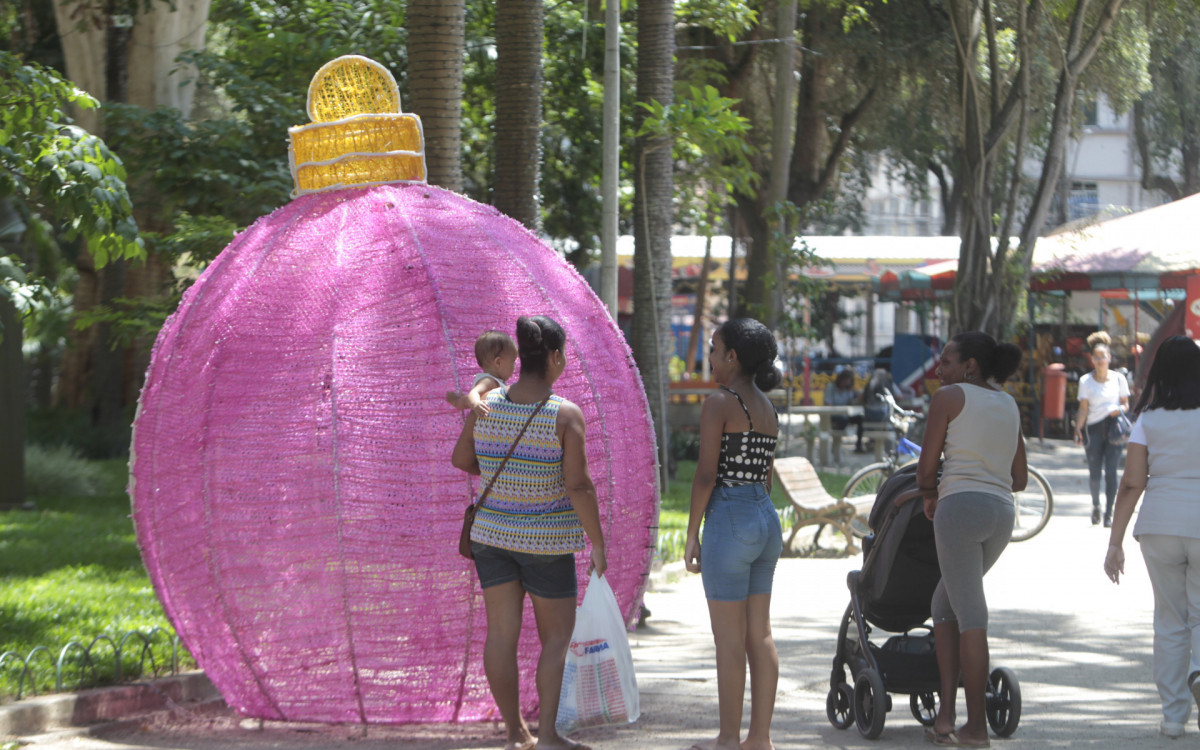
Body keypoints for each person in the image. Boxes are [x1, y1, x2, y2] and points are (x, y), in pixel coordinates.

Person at [451, 316, 606, 750]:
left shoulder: (489, 403)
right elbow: (578, 485)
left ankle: (516, 732)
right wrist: (598, 543)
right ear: (554, 357)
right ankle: (550, 737)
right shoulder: (564, 413)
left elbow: (462, 459)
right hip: (545, 542)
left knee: (501, 633)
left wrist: (509, 470)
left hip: (491, 537)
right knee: (556, 637)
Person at [914, 332, 1027, 748]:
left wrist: (929, 494)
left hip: (959, 510)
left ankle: (976, 727)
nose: (938, 369)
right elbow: (1020, 479)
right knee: (945, 605)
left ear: (970, 366)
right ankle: (946, 716)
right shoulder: (1009, 403)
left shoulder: (948, 399)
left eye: (946, 361)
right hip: (1001, 515)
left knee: (971, 613)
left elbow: (926, 469)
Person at [684, 318, 783, 750]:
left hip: (730, 516)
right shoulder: (766, 406)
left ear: (732, 357)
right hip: (765, 519)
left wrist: (692, 534)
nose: (709, 357)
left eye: (713, 348)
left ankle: (727, 739)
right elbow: (766, 478)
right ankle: (759, 738)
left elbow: (706, 475)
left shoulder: (720, 403)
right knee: (758, 635)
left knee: (729, 641)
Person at [1103, 335, 1200, 739]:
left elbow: (1130, 485)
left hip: (1159, 525)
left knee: (1170, 619)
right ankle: (1198, 673)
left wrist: (1115, 542)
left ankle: (1174, 717)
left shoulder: (1149, 420)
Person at [1074, 331, 1131, 527]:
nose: (1100, 360)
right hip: (1093, 429)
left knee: (1112, 471)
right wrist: (1078, 430)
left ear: (1109, 358)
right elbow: (1083, 409)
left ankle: (1109, 513)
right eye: (1096, 357)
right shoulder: (1085, 381)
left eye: (1103, 357)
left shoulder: (1118, 379)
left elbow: (1126, 404)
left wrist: (1119, 409)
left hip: (1114, 428)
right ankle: (1096, 505)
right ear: (1092, 359)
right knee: (1095, 472)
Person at [446, 330, 518, 416]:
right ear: (498, 362)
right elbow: (474, 393)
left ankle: (457, 399)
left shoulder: (494, 381)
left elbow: (466, 400)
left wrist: (459, 401)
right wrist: (476, 404)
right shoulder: (489, 381)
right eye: (513, 362)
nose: (515, 367)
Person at [824, 369, 865, 453]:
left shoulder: (848, 390)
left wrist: (858, 398)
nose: (846, 383)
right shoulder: (831, 387)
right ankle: (836, 445)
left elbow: (851, 403)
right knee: (843, 421)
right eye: (845, 380)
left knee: (861, 419)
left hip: (845, 415)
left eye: (849, 381)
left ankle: (859, 446)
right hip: (833, 415)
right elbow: (827, 403)